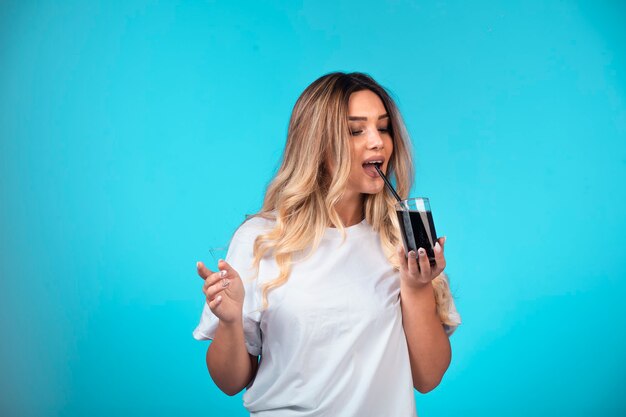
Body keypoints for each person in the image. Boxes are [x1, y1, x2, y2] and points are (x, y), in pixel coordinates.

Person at [193, 72, 461, 417]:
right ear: (318, 144)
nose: (377, 141)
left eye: (383, 127)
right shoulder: (261, 239)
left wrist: (417, 286)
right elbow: (230, 382)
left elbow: (428, 377)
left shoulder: (400, 239)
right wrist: (229, 323)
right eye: (356, 130)